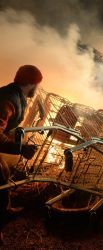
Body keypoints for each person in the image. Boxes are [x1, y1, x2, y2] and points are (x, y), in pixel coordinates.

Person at [0, 65, 43, 243]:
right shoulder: (9, 100)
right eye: (38, 85)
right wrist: (20, 149)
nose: (38, 89)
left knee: (4, 173)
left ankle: (5, 209)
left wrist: (19, 138)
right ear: (32, 84)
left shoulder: (15, 93)